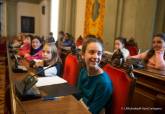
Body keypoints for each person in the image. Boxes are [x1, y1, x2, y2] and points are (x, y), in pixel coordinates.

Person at [76, 36, 113, 114]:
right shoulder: (83, 71)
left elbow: (93, 111)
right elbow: (78, 95)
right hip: (79, 108)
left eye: (99, 53)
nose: (96, 56)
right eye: (92, 52)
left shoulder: (104, 83)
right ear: (83, 54)